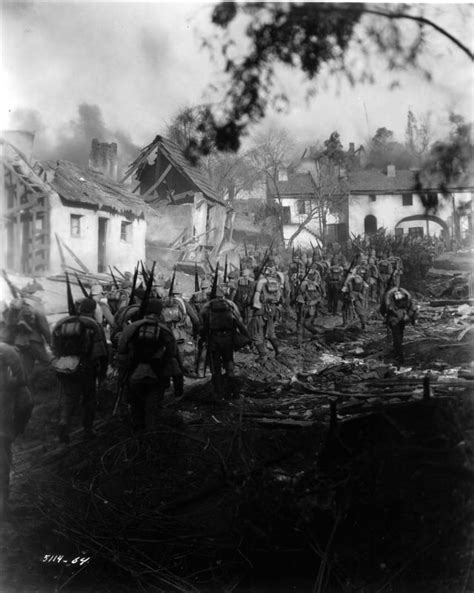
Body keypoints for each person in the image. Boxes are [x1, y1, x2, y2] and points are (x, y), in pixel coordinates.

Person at [116, 299, 182, 431]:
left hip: (134, 373)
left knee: (136, 405)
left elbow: (121, 350)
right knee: (152, 408)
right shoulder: (165, 330)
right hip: (157, 374)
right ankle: (150, 437)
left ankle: (137, 435)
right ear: (159, 313)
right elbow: (172, 352)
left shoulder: (132, 327)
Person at [52, 298, 109, 443]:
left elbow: (54, 348)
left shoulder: (61, 323)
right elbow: (101, 352)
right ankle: (88, 430)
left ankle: (64, 423)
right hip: (86, 367)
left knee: (69, 397)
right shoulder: (93, 325)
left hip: (63, 366)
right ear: (93, 310)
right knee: (89, 399)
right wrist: (102, 372)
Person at [0, 341, 33, 520]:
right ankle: (3, 510)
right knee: (2, 470)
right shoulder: (6, 350)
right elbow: (26, 404)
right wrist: (16, 429)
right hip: (2, 432)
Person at [199, 288, 249, 398]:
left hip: (213, 339)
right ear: (223, 295)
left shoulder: (207, 306)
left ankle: (218, 392)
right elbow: (239, 321)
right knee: (229, 362)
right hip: (228, 338)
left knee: (215, 367)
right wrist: (247, 337)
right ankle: (232, 390)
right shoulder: (230, 304)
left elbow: (201, 324)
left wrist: (203, 338)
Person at [4, 288, 52, 381]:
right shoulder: (36, 306)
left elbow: (10, 325)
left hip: (21, 343)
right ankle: (45, 387)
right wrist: (51, 343)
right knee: (47, 363)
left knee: (26, 370)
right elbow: (44, 327)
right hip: (35, 341)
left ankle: (28, 390)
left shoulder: (16, 308)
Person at [252, 265, 283, 360]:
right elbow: (278, 298)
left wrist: (255, 306)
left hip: (260, 309)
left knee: (256, 334)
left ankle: (263, 355)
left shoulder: (259, 282)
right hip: (272, 309)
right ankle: (279, 351)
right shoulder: (276, 282)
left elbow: (254, 298)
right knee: (271, 333)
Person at [381, 287, 417, 365]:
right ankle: (398, 352)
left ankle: (399, 355)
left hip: (394, 320)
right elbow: (413, 307)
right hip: (402, 318)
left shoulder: (389, 298)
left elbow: (384, 307)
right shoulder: (406, 298)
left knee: (397, 336)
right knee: (399, 335)